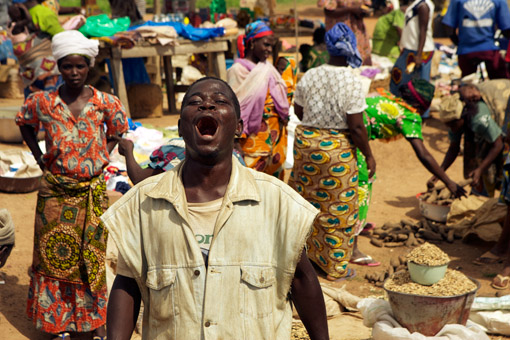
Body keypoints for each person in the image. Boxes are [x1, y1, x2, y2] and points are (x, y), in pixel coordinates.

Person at [101, 77, 329, 340]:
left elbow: (301, 279)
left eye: (220, 102)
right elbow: (128, 283)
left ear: (238, 127)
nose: (207, 106)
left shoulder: (278, 202)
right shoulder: (142, 203)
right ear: (180, 128)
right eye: (195, 102)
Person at [15, 30, 128, 340]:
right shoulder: (43, 102)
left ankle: (90, 321)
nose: (75, 73)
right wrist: (40, 157)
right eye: (68, 66)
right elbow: (24, 122)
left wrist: (100, 152)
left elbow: (119, 130)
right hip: (54, 193)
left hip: (91, 191)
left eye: (80, 66)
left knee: (89, 258)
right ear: (58, 66)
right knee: (52, 257)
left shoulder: (107, 102)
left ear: (89, 66)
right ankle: (56, 322)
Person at [288, 23, 376, 280]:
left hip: (307, 148)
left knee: (308, 204)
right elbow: (357, 127)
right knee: (338, 209)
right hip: (336, 150)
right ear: (351, 46)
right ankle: (336, 267)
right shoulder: (353, 80)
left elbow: (299, 111)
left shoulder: (311, 74)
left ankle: (308, 261)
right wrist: (369, 155)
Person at [352, 89, 467, 264]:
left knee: (358, 183)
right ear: (423, 107)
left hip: (352, 131)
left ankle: (356, 225)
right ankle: (353, 249)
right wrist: (448, 182)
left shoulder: (391, 99)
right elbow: (424, 154)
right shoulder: (409, 116)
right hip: (354, 136)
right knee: (362, 185)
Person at [228, 20, 293, 179]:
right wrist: (236, 143)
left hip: (276, 142)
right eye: (265, 45)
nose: (269, 50)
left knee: (274, 189)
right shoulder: (237, 71)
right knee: (251, 185)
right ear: (252, 42)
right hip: (251, 144)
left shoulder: (269, 69)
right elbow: (235, 109)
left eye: (271, 46)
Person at [432, 84, 504, 201]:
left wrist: (480, 169)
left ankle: (495, 193)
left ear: (462, 117)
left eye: (453, 124)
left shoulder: (478, 120)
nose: (451, 128)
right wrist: (438, 174)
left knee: (498, 155)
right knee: (472, 148)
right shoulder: (455, 121)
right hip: (478, 126)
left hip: (503, 99)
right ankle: (479, 193)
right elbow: (453, 148)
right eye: (448, 125)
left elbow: (498, 144)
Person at [7, 0, 63, 97]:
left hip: (27, 66)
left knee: (30, 91)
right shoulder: (44, 13)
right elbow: (61, 35)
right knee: (50, 92)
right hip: (43, 64)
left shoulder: (12, 23)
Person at [442, 0, 510, 79]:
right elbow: (506, 28)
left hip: (466, 51)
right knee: (501, 81)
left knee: (468, 83)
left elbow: (449, 26)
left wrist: (459, 43)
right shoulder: (498, 1)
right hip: (489, 49)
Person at [389, 0, 435, 118]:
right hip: (410, 49)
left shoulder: (423, 5)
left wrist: (419, 55)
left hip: (419, 51)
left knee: (420, 85)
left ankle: (421, 116)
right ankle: (403, 110)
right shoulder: (416, 4)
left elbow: (423, 30)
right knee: (399, 78)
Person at [319, 0, 373, 65]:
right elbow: (329, 11)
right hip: (340, 31)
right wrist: (350, 9)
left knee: (361, 59)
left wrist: (363, 12)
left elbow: (367, 5)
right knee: (341, 59)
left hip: (357, 30)